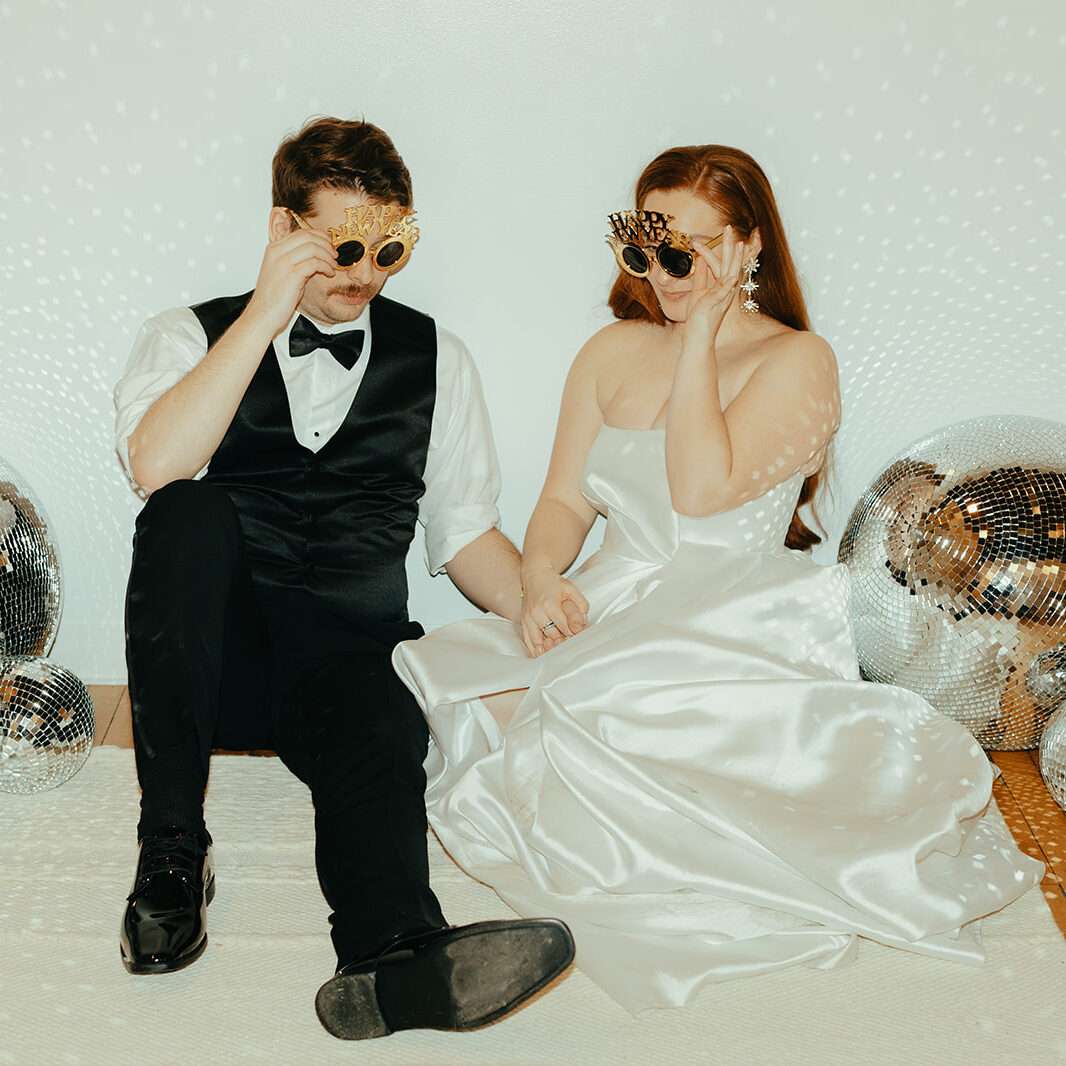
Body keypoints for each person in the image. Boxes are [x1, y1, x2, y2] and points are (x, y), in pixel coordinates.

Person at [392, 144, 1044, 1013]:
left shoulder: (799, 359)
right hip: (612, 590)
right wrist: (543, 579)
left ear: (749, 246)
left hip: (728, 609)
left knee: (586, 711)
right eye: (654, 246)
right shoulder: (610, 351)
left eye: (693, 249)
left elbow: (699, 493)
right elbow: (560, 500)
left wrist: (701, 331)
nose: (670, 271)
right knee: (454, 681)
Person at [112, 116, 574, 1040]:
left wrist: (540, 601)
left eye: (387, 248)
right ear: (284, 229)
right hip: (217, 673)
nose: (365, 273)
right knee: (184, 512)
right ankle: (171, 854)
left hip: (350, 655)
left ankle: (392, 960)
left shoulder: (438, 357)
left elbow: (465, 530)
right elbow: (156, 463)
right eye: (341, 247)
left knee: (380, 723)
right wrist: (263, 314)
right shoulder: (188, 335)